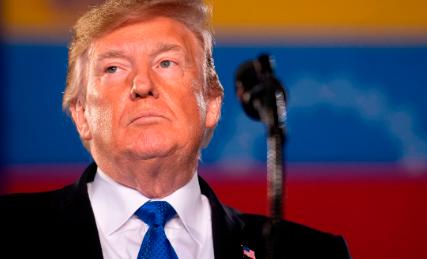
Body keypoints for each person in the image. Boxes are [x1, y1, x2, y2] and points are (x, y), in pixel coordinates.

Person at [0, 0, 350, 258]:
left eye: (166, 62)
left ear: (211, 102)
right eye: (113, 68)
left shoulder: (309, 253)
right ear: (81, 115)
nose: (142, 84)